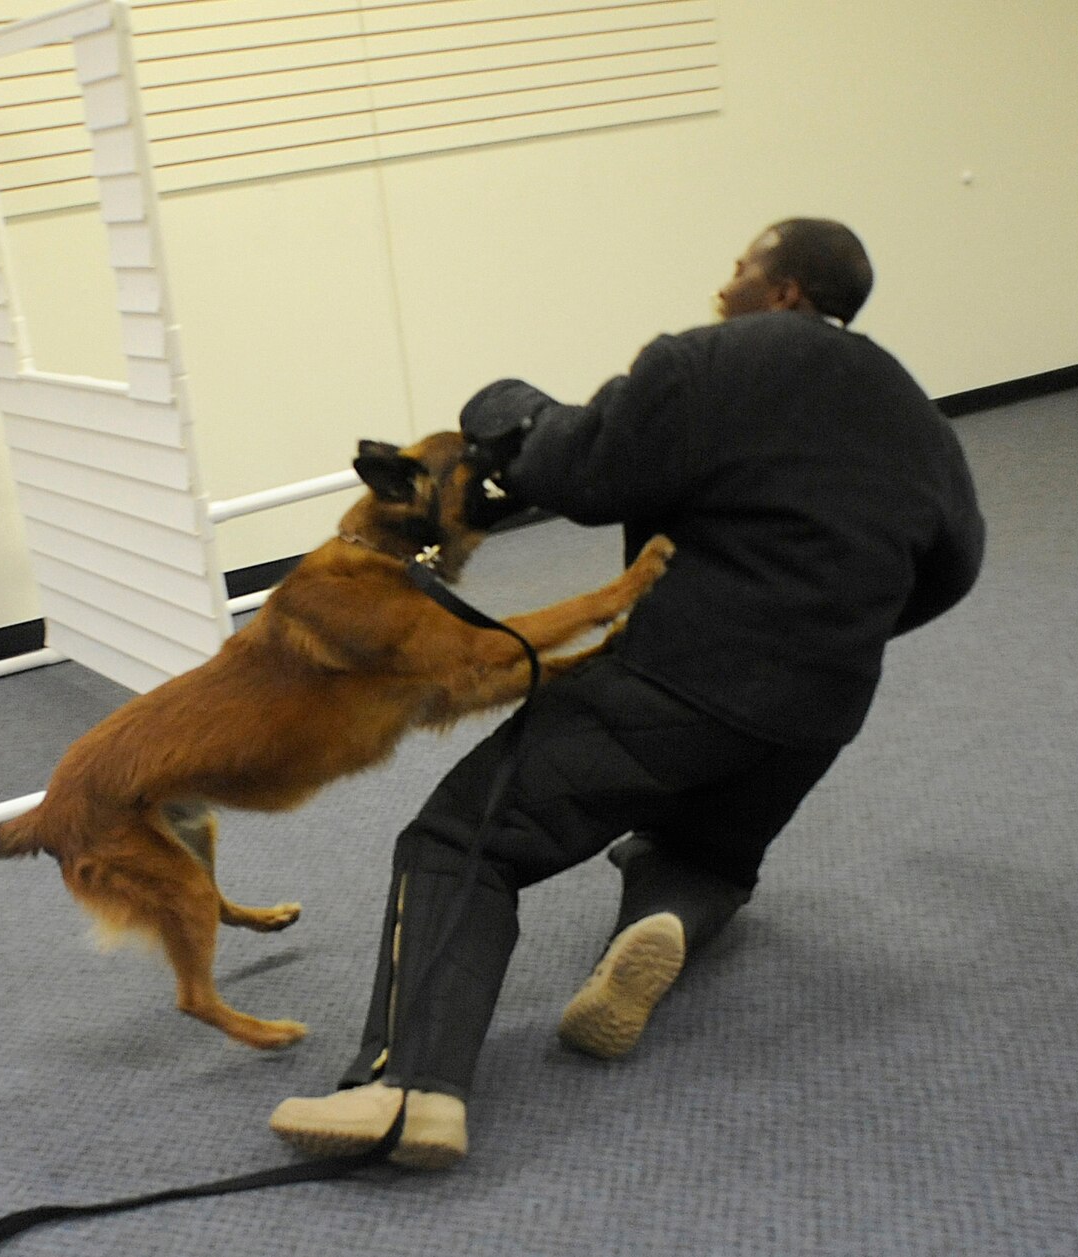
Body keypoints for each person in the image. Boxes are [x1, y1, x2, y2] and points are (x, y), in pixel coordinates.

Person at [267, 219, 986, 1167]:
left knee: (459, 841)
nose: (724, 284)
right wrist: (833, 633)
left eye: (742, 268)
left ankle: (409, 1091)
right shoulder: (915, 414)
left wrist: (506, 408)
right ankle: (670, 913)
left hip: (680, 683)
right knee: (709, 852)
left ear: (784, 291)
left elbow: (582, 470)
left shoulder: (706, 362)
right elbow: (954, 568)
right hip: (820, 710)